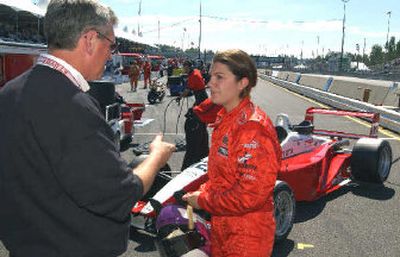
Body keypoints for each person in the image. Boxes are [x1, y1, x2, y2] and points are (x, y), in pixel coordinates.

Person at [0, 1, 176, 257]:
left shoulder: (9, 92)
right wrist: (156, 157)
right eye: (111, 44)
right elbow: (120, 195)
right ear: (90, 40)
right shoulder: (72, 105)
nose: (110, 53)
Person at [183, 49, 282, 257]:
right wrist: (200, 191)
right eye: (211, 77)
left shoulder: (252, 129)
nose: (210, 84)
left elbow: (249, 196)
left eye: (220, 77)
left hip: (247, 237)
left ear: (242, 83)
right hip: (224, 227)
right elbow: (222, 178)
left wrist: (202, 200)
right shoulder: (226, 118)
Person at [180, 60, 209, 170]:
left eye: (185, 67)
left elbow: (187, 90)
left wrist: (180, 97)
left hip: (201, 99)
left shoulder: (193, 76)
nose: (184, 69)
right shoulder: (196, 72)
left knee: (195, 119)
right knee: (198, 120)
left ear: (188, 67)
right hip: (202, 98)